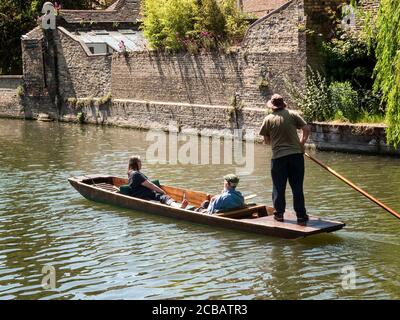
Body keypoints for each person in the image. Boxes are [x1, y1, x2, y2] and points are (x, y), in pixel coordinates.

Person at [259, 94, 311, 225]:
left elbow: (266, 141)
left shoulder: (268, 119)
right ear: (283, 104)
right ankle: (301, 216)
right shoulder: (292, 114)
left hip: (278, 158)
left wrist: (275, 144)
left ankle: (279, 215)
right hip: (296, 156)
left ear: (272, 107)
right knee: (297, 187)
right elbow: (306, 129)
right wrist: (302, 143)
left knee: (278, 188)